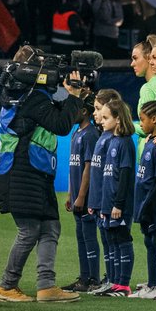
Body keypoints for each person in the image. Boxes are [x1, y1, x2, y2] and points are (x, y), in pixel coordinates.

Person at [0, 55, 88, 304]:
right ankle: (7, 285)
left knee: (50, 227)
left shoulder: (23, 96)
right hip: (23, 171)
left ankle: (46, 286)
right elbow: (61, 125)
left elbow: (57, 112)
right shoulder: (32, 98)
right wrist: (74, 96)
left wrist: (72, 94)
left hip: (35, 171)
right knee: (29, 230)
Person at [95, 99, 138, 297]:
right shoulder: (112, 141)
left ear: (118, 119)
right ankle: (114, 281)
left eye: (106, 117)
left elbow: (126, 176)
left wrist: (118, 203)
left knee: (122, 239)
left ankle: (123, 285)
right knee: (112, 241)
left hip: (119, 204)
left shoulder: (126, 143)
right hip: (108, 203)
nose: (101, 121)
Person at [63, 97, 100, 293]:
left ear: (84, 111)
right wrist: (71, 193)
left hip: (85, 197)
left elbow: (88, 167)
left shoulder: (90, 135)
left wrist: (81, 196)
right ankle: (84, 277)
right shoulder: (75, 133)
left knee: (89, 237)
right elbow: (73, 167)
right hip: (77, 194)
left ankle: (93, 278)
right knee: (81, 238)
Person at [132, 100, 156, 298]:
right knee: (149, 242)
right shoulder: (148, 142)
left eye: (143, 119)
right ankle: (152, 282)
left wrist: (148, 204)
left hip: (153, 204)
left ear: (154, 120)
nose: (141, 123)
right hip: (144, 201)